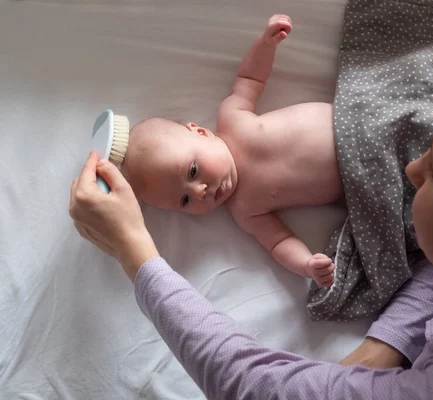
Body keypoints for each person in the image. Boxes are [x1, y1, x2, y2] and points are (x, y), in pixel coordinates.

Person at [70, 50, 433, 398]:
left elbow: (255, 387)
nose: (411, 168)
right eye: (186, 200)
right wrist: (385, 345)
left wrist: (136, 252)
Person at [121, 14, 340, 287]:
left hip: (351, 119)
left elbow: (250, 77)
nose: (199, 191)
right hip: (361, 178)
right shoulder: (245, 210)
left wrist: (266, 43)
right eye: (185, 201)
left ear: (200, 132)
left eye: (192, 171)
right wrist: (306, 264)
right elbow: (279, 242)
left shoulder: (232, 118)